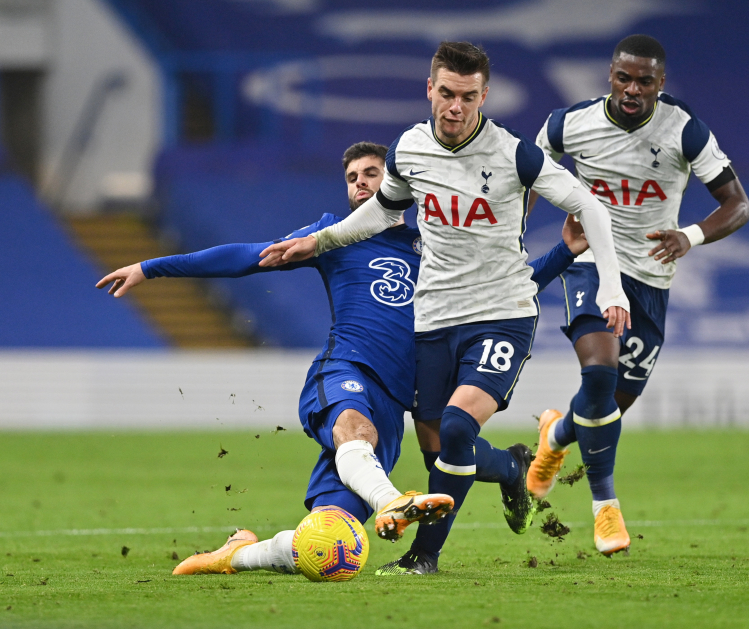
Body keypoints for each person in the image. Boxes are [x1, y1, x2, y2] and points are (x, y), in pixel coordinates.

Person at [96, 141, 588, 576]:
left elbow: (504, 290)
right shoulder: (333, 234)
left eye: (370, 174)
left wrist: (565, 251)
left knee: (330, 542)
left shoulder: (439, 245)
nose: (359, 185)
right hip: (346, 370)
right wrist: (151, 266)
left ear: (397, 180)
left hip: (401, 396)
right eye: (352, 178)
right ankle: (391, 500)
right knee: (357, 429)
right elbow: (250, 256)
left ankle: (239, 554)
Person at [259, 41, 630, 575]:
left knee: (457, 426)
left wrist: (612, 289)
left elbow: (588, 205)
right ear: (430, 90)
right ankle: (510, 467)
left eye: (469, 97)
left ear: (485, 95)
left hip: (502, 314)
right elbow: (380, 214)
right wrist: (321, 242)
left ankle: (422, 558)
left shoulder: (514, 153)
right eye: (448, 94)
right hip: (434, 319)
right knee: (437, 453)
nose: (456, 107)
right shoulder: (408, 149)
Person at [526, 34, 749, 557]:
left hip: (651, 278)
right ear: (610, 75)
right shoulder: (567, 124)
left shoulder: (684, 130)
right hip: (589, 260)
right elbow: (525, 178)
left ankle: (555, 436)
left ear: (661, 83)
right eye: (623, 78)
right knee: (599, 372)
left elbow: (737, 204)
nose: (632, 89)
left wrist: (689, 235)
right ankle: (606, 508)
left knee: (609, 406)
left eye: (644, 81)